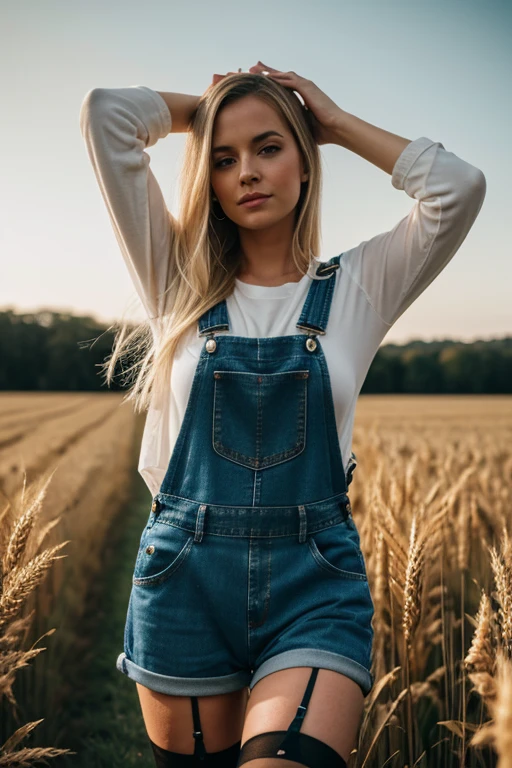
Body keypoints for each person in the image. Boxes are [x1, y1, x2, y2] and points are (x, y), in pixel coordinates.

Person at [79, 61, 486, 767]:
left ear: (305, 157)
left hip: (314, 583)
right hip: (184, 582)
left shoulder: (360, 286)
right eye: (224, 158)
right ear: (206, 175)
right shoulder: (174, 277)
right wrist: (201, 111)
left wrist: (331, 120)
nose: (247, 173)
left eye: (269, 147)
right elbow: (106, 114)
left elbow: (458, 189)